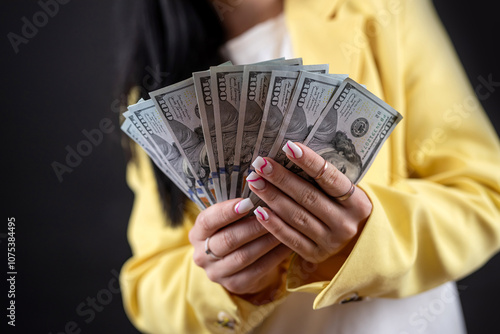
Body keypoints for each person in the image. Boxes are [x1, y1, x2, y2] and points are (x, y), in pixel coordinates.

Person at [117, 0, 500, 333]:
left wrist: (366, 236)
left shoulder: (383, 9)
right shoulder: (154, 94)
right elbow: (148, 286)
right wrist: (226, 284)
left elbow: (485, 192)